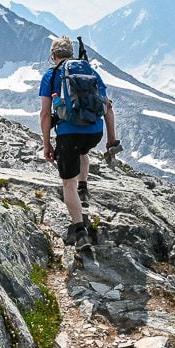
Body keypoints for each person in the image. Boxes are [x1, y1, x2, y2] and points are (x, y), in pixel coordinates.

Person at [39, 36, 119, 249]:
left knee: (67, 182)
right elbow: (108, 107)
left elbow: (46, 114)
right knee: (83, 151)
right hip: (94, 132)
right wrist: (111, 139)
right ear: (71, 54)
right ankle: (83, 188)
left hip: (69, 134)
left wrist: (47, 144)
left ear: (53, 56)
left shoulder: (51, 75)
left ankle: (80, 231)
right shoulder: (90, 72)